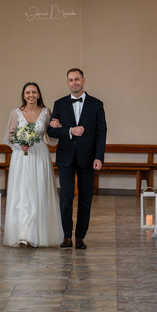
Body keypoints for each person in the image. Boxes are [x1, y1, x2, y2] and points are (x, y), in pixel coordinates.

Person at [47, 68, 107, 249]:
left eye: (77, 79)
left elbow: (101, 133)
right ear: (67, 83)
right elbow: (51, 130)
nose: (74, 83)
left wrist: (99, 157)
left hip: (88, 157)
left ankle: (80, 236)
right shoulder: (59, 104)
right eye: (71, 80)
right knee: (66, 195)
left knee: (86, 197)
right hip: (66, 157)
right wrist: (68, 130)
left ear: (84, 80)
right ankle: (66, 236)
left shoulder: (96, 104)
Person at [3, 82, 64, 247]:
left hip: (39, 155)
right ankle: (22, 235)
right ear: (23, 95)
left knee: (38, 191)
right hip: (21, 157)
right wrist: (19, 144)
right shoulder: (16, 113)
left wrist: (58, 127)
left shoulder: (46, 112)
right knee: (22, 193)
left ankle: (37, 234)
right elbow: (9, 138)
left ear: (38, 95)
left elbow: (52, 138)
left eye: (34, 92)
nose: (31, 95)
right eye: (28, 92)